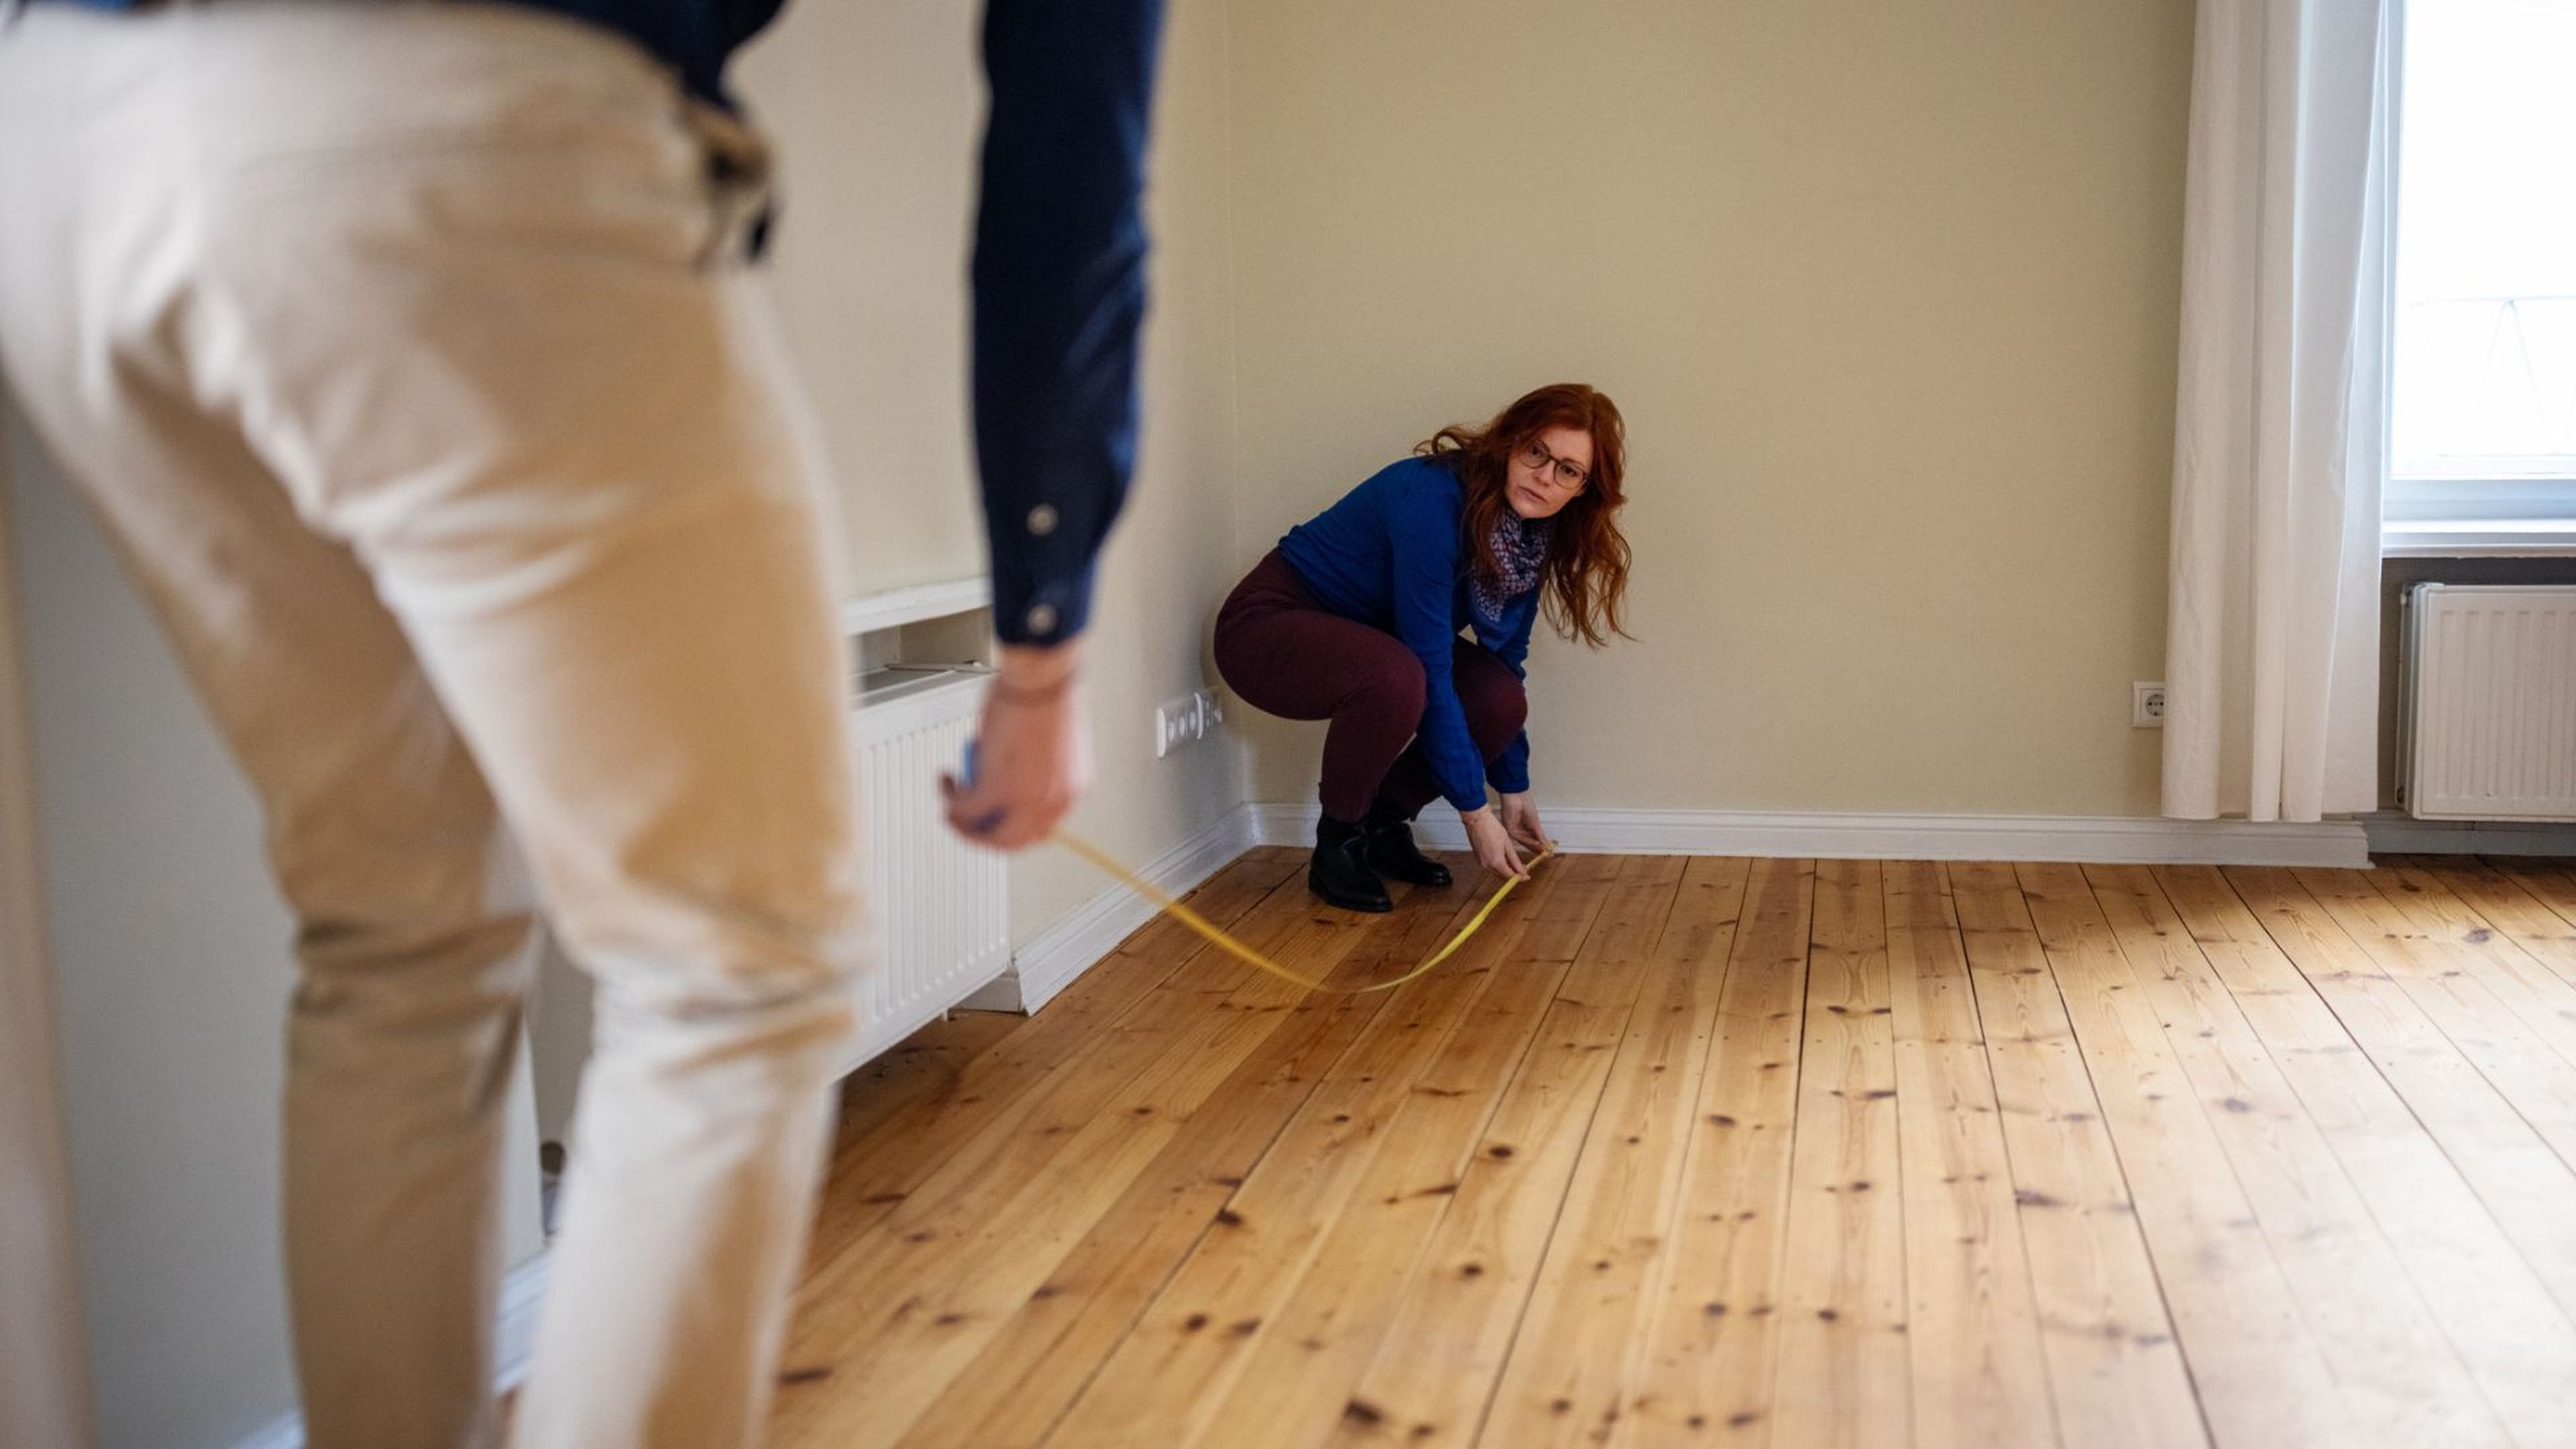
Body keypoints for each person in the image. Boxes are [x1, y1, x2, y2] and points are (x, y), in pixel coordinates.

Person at [0, 0, 1160, 1444]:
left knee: (393, 941)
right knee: (735, 969)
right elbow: (1074, 160)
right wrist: (1044, 647)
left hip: (64, 156)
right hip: (454, 137)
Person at [1214, 384, 1633, 913]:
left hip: (1381, 644)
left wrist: (1513, 787)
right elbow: (1429, 665)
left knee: (1498, 696)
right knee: (1398, 677)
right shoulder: (1433, 499)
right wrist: (1473, 814)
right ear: (1510, 443)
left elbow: (1506, 660)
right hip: (1267, 629)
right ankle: (1339, 842)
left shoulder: (1529, 541)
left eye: (1568, 471)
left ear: (1583, 490)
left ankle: (1383, 825)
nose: (1546, 477)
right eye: (1537, 453)